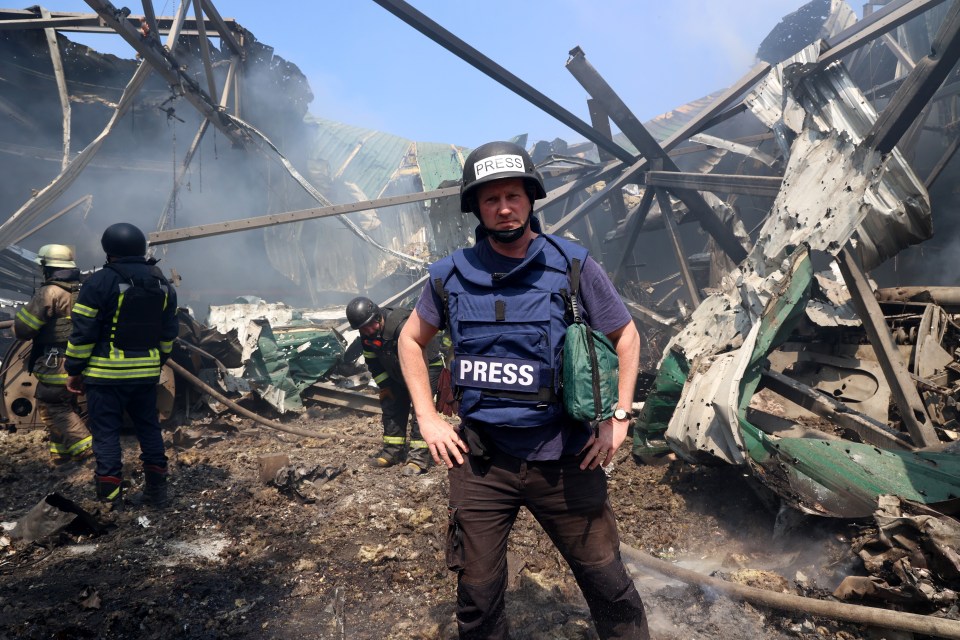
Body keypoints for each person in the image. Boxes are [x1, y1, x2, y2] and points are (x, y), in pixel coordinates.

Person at [398, 141, 648, 638]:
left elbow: (627, 336)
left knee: (609, 586)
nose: (504, 207)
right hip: (483, 463)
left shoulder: (572, 266)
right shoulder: (450, 275)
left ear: (531, 198)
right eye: (491, 199)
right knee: (478, 598)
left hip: (566, 457)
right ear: (476, 207)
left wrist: (617, 418)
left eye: (514, 195)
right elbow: (410, 339)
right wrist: (427, 417)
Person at [65, 223, 178, 508]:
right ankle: (157, 494)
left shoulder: (98, 283)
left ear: (109, 250)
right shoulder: (162, 283)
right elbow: (168, 334)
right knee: (149, 430)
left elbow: (82, 334)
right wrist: (157, 362)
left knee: (106, 436)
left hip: (104, 377)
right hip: (146, 375)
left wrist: (74, 370)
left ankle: (109, 501)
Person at [346, 296, 444, 476]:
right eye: (363, 328)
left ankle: (418, 458)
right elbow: (373, 361)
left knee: (421, 410)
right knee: (392, 404)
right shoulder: (367, 332)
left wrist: (416, 389)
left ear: (377, 316)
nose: (368, 331)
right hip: (398, 369)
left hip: (426, 366)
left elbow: (418, 357)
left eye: (370, 326)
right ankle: (392, 451)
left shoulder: (400, 326)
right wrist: (385, 386)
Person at [13, 244, 93, 465]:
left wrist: (18, 321)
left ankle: (89, 452)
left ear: (47, 267)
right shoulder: (84, 290)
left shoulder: (50, 292)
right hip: (84, 359)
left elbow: (24, 330)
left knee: (52, 406)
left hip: (58, 363)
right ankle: (61, 456)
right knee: (67, 404)